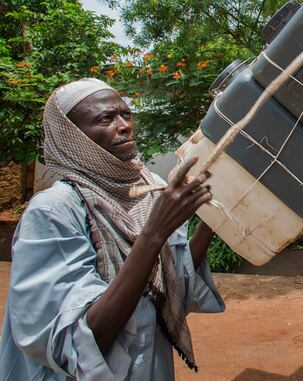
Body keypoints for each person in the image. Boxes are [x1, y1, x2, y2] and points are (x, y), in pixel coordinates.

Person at [0, 78, 225, 380]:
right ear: (72, 136)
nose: (125, 126)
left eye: (126, 115)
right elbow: (81, 340)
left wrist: (212, 219)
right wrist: (153, 234)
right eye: (106, 118)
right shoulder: (56, 209)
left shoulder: (150, 190)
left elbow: (175, 283)